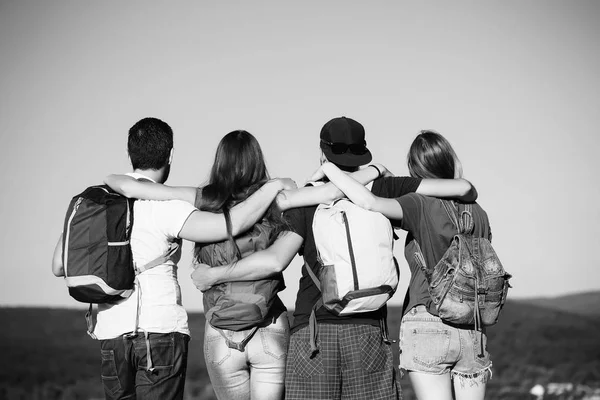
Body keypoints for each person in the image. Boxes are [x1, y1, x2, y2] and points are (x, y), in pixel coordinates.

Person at [193, 117, 478, 400]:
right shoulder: (385, 188)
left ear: (322, 152)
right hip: (368, 331)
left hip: (313, 333)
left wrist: (216, 274)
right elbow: (462, 188)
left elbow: (275, 260)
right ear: (362, 153)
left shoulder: (307, 198)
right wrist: (377, 172)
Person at [103, 129, 388, 400]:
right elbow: (330, 192)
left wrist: (110, 178)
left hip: (221, 331)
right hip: (268, 327)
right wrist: (374, 171)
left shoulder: (203, 198)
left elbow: (126, 185)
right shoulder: (277, 199)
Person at [51, 118, 295, 400]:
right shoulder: (167, 208)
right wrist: (272, 188)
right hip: (160, 330)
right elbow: (229, 226)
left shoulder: (93, 204)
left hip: (110, 333)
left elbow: (59, 266)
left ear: (129, 153)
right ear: (170, 155)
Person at [312, 130, 493, 400]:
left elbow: (368, 202)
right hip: (473, 326)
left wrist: (329, 168)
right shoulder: (478, 211)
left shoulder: (418, 204)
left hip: (428, 320)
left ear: (414, 169)